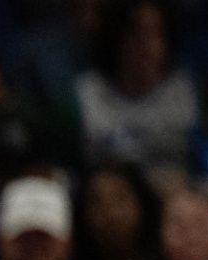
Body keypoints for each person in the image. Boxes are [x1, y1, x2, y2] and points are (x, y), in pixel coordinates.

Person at [78, 1, 199, 177]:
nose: (145, 44)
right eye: (135, 33)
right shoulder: (83, 97)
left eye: (154, 33)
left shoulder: (189, 93)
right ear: (115, 37)